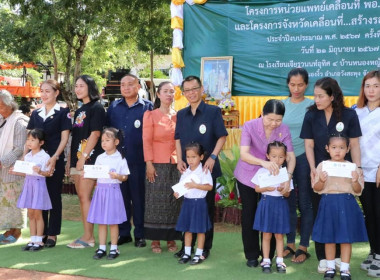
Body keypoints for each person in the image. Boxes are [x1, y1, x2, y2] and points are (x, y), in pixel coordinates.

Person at [300, 77, 362, 273]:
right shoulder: (311, 115)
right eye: (315, 96)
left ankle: (338, 260)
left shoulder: (349, 114)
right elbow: (308, 145)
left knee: (341, 213)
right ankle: (324, 258)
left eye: (320, 96)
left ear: (332, 96)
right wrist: (312, 169)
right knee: (320, 212)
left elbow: (354, 144)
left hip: (343, 174)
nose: (316, 100)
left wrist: (358, 169)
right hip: (320, 172)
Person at [234, 99, 295, 267]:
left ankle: (269, 256)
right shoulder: (250, 125)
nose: (274, 124)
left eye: (278, 120)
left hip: (274, 178)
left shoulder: (284, 129)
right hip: (248, 175)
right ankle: (252, 255)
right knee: (250, 214)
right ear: (262, 113)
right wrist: (264, 163)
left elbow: (290, 156)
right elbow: (244, 154)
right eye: (270, 119)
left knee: (273, 213)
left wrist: (288, 177)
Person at [174, 75, 227, 260]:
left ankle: (204, 248)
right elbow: (178, 139)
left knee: (205, 210)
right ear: (183, 93)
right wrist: (179, 159)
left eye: (194, 88)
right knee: (187, 209)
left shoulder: (213, 112)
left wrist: (212, 156)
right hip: (187, 170)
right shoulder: (181, 114)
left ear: (201, 89)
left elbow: (221, 136)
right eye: (187, 90)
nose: (191, 93)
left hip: (206, 170)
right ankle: (186, 248)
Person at [312, 134, 367, 280]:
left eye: (342, 148)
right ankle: (330, 268)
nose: (338, 151)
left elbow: (358, 190)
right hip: (328, 202)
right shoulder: (323, 166)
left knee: (345, 238)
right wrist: (322, 180)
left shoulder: (353, 167)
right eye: (334, 147)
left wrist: (355, 180)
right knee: (329, 237)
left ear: (348, 149)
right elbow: (316, 188)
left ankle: (345, 269)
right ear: (327, 148)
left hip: (347, 203)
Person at [106, 74, 153, 248]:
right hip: (118, 162)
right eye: (123, 85)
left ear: (138, 86)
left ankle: (140, 234)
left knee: (138, 199)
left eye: (130, 84)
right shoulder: (114, 107)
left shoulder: (147, 107)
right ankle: (124, 233)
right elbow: (107, 131)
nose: (126, 88)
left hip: (138, 161)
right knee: (121, 199)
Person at [27, 80, 71, 248]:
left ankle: (52, 233)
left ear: (56, 93)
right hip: (36, 162)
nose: (44, 94)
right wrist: (25, 157)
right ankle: (40, 233)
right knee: (38, 197)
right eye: (42, 91)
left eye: (48, 91)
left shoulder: (63, 112)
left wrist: (55, 157)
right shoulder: (35, 113)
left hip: (54, 161)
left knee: (53, 196)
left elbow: (65, 138)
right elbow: (29, 138)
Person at [143, 81, 182, 253]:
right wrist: (149, 163)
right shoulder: (150, 115)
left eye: (172, 92)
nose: (169, 95)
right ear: (158, 94)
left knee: (174, 200)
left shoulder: (179, 116)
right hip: (156, 163)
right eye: (165, 91)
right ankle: (155, 240)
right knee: (155, 202)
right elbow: (146, 141)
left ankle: (172, 239)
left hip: (175, 164)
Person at [67, 75, 106, 249]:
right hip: (77, 160)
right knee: (82, 198)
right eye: (76, 86)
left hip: (88, 160)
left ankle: (89, 237)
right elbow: (76, 137)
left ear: (90, 87)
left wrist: (83, 158)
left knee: (85, 197)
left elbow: (95, 134)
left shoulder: (97, 108)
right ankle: (86, 234)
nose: (77, 89)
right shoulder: (80, 109)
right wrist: (71, 161)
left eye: (81, 86)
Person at [282, 68, 314, 263]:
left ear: (306, 85)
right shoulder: (281, 105)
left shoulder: (312, 106)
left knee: (305, 202)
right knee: (288, 203)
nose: (296, 88)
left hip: (304, 158)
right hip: (283, 161)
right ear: (288, 84)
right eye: (292, 84)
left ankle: (303, 246)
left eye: (300, 84)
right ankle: (290, 243)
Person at [87, 127, 129, 260]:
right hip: (100, 191)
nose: (104, 143)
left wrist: (117, 176)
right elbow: (95, 174)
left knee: (113, 222)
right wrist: (87, 173)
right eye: (102, 140)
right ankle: (102, 248)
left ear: (116, 142)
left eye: (107, 140)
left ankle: (114, 248)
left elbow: (125, 177)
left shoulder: (120, 158)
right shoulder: (100, 157)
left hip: (113, 191)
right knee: (101, 221)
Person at [355, 70, 380, 278]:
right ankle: (374, 251)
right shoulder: (357, 111)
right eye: (368, 86)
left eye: (376, 86)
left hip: (379, 171)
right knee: (369, 214)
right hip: (363, 172)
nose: (371, 90)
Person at [252, 141, 292, 274]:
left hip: (280, 204)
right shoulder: (262, 171)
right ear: (267, 156)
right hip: (266, 203)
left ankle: (280, 260)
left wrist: (283, 189)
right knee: (266, 234)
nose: (277, 159)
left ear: (285, 157)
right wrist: (266, 188)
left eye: (281, 157)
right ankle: (266, 260)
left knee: (279, 235)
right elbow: (257, 188)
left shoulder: (285, 174)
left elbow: (288, 194)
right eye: (274, 156)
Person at [11, 129, 52, 251]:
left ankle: (39, 240)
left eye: (33, 140)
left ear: (41, 142)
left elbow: (48, 174)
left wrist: (40, 171)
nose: (29, 142)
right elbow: (26, 173)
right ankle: (32, 239)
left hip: (39, 185)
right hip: (28, 185)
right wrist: (16, 171)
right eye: (28, 139)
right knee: (31, 213)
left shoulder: (45, 156)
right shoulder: (27, 156)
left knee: (38, 214)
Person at [174, 142, 213, 265]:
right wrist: (177, 193)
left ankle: (198, 254)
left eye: (194, 157)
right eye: (188, 157)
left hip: (199, 204)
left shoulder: (204, 171)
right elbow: (181, 187)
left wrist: (195, 185)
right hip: (187, 203)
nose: (190, 160)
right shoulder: (185, 171)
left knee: (200, 230)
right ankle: (186, 253)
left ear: (201, 157)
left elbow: (209, 187)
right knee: (188, 230)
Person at [0, 90, 28, 245]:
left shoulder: (20, 121)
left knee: (15, 199)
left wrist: (2, 161)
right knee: (4, 201)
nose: (0, 110)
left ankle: (17, 231)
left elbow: (19, 148)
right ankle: (8, 229)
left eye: (1, 106)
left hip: (14, 169)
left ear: (10, 105)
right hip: (3, 170)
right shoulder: (1, 119)